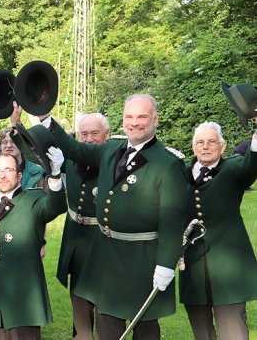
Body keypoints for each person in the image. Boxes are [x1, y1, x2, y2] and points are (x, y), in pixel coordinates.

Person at [34, 95, 188, 339]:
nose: (134, 123)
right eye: (129, 117)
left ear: (155, 120)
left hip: (143, 258)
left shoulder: (168, 163)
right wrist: (44, 116)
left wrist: (166, 264)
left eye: (141, 117)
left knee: (145, 327)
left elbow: (171, 220)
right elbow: (74, 148)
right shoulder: (111, 149)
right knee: (106, 323)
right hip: (106, 254)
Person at [0, 151, 66, 339]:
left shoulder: (34, 200)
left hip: (23, 295)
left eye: (8, 169)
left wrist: (55, 177)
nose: (2, 175)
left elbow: (55, 207)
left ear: (19, 175)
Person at [180, 121, 257, 339]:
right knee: (201, 332)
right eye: (200, 142)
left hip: (229, 269)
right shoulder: (180, 172)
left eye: (212, 142)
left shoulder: (232, 169)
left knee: (233, 331)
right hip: (192, 267)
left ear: (222, 147)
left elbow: (251, 166)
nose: (205, 146)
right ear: (193, 147)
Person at [57, 113, 110, 340]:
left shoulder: (114, 160)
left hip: (103, 242)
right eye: (84, 134)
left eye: (94, 133)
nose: (88, 139)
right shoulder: (70, 159)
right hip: (76, 239)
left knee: (105, 306)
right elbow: (34, 149)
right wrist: (17, 123)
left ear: (107, 135)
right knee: (79, 302)